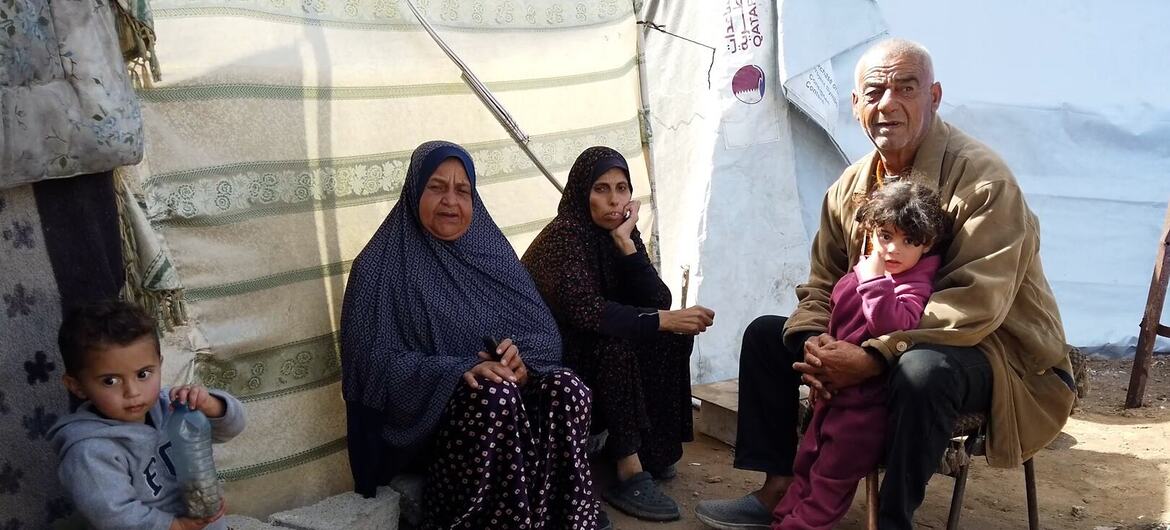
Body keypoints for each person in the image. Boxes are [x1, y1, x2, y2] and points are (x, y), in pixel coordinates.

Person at [695, 38, 1076, 530]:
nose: (888, 104)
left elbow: (974, 305)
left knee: (922, 371)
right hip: (881, 334)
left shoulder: (984, 181)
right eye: (874, 93)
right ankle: (780, 487)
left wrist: (874, 357)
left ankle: (895, 520)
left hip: (994, 351)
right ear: (856, 105)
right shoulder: (849, 188)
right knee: (769, 336)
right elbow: (822, 283)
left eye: (906, 88)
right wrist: (817, 344)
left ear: (934, 97)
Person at [340, 140, 606, 529]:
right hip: (425, 429)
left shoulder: (490, 252)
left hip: (508, 413)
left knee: (567, 388)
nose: (450, 201)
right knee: (493, 393)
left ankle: (565, 519)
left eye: (462, 190)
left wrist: (519, 362)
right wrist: (456, 371)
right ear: (415, 190)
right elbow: (368, 367)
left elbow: (545, 337)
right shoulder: (379, 267)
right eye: (436, 187)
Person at [522, 146, 715, 522]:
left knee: (670, 335)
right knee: (616, 343)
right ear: (582, 193)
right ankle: (628, 468)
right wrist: (663, 319)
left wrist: (627, 244)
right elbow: (587, 313)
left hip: (591, 346)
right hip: (550, 361)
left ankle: (654, 450)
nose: (614, 200)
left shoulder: (618, 232)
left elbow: (657, 299)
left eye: (622, 188)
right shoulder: (564, 236)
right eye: (601, 189)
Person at [771, 181, 947, 530]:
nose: (893, 249)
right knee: (806, 465)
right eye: (886, 236)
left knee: (829, 482)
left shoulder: (914, 285)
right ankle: (781, 519)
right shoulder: (865, 269)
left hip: (866, 411)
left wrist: (874, 282)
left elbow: (893, 326)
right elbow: (838, 318)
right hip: (831, 398)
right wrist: (821, 355)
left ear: (926, 244)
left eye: (909, 241)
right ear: (870, 230)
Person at [49, 300, 246, 530]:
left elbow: (232, 428)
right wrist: (175, 526)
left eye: (143, 374)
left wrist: (211, 406)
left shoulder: (172, 407)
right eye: (110, 381)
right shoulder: (89, 451)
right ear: (77, 386)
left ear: (159, 365)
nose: (132, 392)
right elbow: (114, 516)